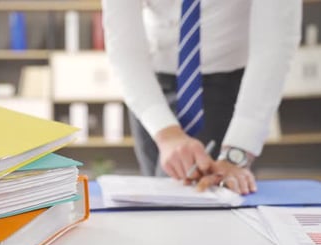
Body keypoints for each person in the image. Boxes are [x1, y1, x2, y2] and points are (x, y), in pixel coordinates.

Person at [102, 0, 302, 194]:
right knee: (158, 200)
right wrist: (167, 134)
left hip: (229, 84)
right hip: (151, 87)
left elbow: (274, 45)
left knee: (220, 195)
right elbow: (124, 47)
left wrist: (237, 153)